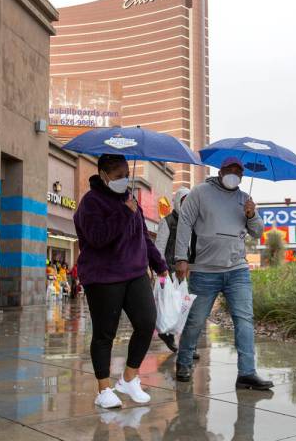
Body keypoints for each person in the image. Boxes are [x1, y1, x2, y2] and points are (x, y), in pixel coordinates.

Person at [74, 153, 169, 409]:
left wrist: (159, 265)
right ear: (104, 175)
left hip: (135, 273)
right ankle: (104, 389)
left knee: (146, 321)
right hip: (103, 276)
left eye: (126, 175)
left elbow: (143, 237)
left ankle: (129, 378)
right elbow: (96, 238)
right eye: (118, 176)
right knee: (105, 333)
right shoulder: (90, 203)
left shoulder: (130, 199)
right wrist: (123, 215)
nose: (124, 180)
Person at [174, 156, 273, 390]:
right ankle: (184, 362)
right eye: (230, 169)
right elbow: (185, 222)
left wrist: (252, 214)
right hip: (204, 270)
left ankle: (247, 373)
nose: (234, 174)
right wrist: (180, 258)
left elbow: (257, 233)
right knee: (196, 321)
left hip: (237, 270)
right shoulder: (200, 192)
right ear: (220, 171)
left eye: (239, 172)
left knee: (244, 320)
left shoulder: (244, 199)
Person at [153, 188, 191, 353]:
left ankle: (184, 342)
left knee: (182, 306)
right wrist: (160, 272)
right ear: (177, 202)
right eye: (184, 201)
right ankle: (166, 333)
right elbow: (159, 247)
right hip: (166, 273)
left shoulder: (191, 222)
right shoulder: (167, 221)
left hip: (183, 274)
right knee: (165, 303)